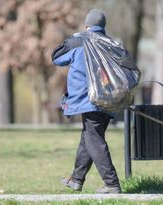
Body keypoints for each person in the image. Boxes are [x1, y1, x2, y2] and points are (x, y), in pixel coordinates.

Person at [51, 9, 121, 194]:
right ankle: (76, 179)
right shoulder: (112, 43)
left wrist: (70, 39)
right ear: (103, 27)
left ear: (87, 25)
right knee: (89, 138)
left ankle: (112, 184)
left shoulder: (78, 41)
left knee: (93, 139)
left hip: (88, 99)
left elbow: (56, 58)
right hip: (110, 99)